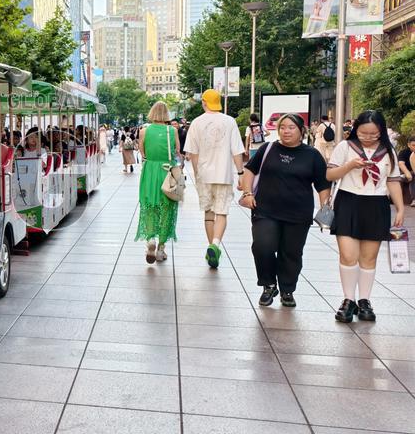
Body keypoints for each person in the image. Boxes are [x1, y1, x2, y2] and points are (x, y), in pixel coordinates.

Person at [239, 114, 331, 307]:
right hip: (265, 209)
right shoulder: (268, 148)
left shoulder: (312, 155)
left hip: (298, 213)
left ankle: (287, 289)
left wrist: (325, 207)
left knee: (291, 253)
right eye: (282, 127)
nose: (286, 131)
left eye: (291, 128)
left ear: (301, 131)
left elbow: (323, 184)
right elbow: (250, 170)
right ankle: (269, 284)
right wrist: (248, 194)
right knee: (262, 246)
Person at [326, 110, 405, 323]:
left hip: (376, 204)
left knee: (368, 258)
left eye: (373, 134)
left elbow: (393, 181)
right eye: (363, 133)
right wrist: (351, 165)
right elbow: (330, 175)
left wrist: (400, 208)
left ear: (381, 132)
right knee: (348, 255)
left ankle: (364, 301)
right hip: (348, 202)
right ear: (355, 130)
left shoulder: (388, 151)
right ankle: (348, 300)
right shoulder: (345, 147)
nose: (368, 137)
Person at [184, 89, 246, 269]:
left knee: (209, 213)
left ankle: (211, 247)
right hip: (224, 174)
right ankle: (215, 245)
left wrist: (197, 174)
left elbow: (193, 154)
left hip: (204, 175)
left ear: (204, 102)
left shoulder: (196, 123)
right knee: (222, 212)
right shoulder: (230, 121)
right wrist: (241, 174)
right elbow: (237, 151)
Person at [135, 102, 180, 263]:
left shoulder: (144, 131)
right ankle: (161, 249)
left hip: (150, 172)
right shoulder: (173, 130)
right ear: (167, 114)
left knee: (150, 207)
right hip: (167, 173)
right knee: (167, 209)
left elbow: (143, 152)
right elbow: (177, 152)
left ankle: (150, 240)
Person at [398, 137, 415, 206]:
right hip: (405, 174)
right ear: (409, 145)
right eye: (414, 145)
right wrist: (407, 173)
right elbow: (401, 164)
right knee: (412, 176)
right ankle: (414, 200)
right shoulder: (403, 152)